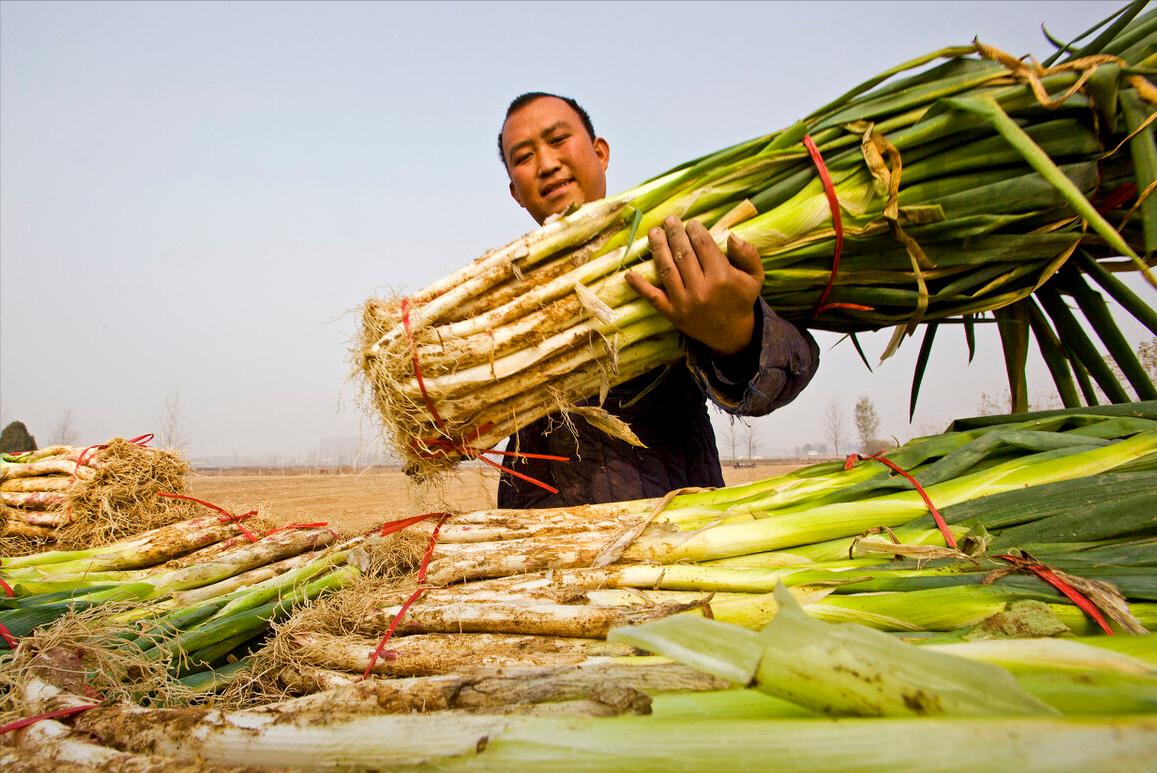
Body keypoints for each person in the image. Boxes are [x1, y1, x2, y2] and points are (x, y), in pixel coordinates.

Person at [496, 92, 818, 508]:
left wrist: (738, 336)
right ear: (515, 193)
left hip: (667, 530)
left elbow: (794, 361)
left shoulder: (670, 251)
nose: (547, 163)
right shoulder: (508, 298)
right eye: (524, 157)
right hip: (535, 548)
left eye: (558, 140)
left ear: (600, 153)